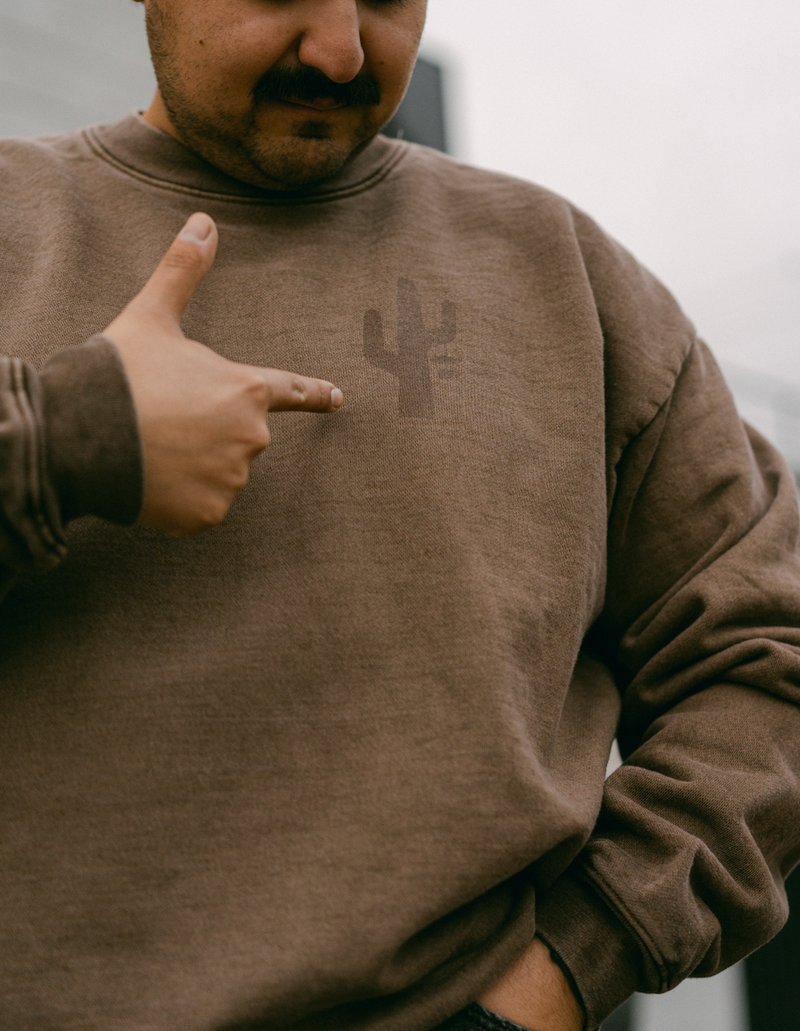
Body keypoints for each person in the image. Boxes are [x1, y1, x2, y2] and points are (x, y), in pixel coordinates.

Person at [1, 2, 799, 1030]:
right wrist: (62, 440)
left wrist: (569, 967)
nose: (340, 52)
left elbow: (764, 656)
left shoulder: (566, 275)